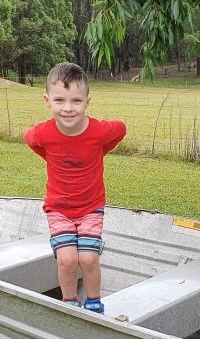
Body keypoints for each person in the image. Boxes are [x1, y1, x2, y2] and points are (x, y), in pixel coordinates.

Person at [24, 62, 126, 313]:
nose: (68, 109)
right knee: (68, 260)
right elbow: (31, 140)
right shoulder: (44, 133)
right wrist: (51, 157)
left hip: (91, 207)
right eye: (59, 100)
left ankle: (94, 304)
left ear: (87, 101)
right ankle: (69, 303)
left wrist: (100, 151)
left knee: (88, 258)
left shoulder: (99, 131)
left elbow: (120, 129)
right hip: (59, 208)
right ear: (47, 100)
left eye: (76, 101)